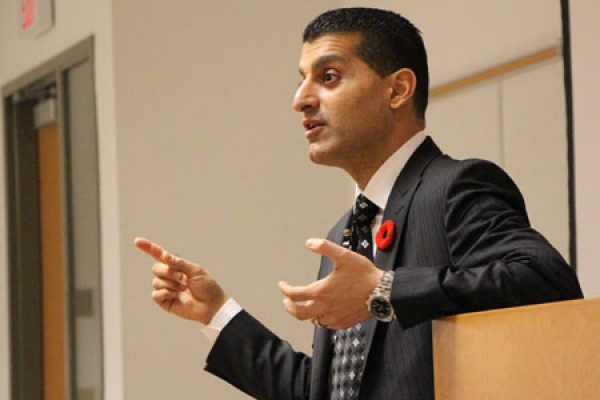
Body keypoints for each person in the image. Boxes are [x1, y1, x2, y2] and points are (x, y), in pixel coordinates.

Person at [135, 7, 583, 400]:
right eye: (301, 80)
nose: (300, 100)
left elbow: (546, 279)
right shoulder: (344, 233)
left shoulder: (455, 187)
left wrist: (383, 291)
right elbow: (328, 391)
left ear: (397, 90)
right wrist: (217, 313)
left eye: (328, 77)